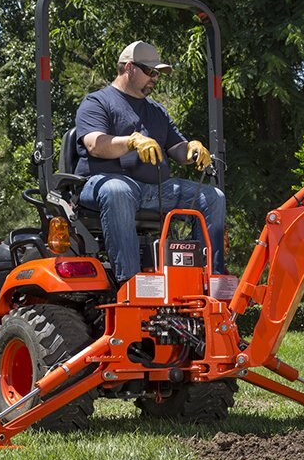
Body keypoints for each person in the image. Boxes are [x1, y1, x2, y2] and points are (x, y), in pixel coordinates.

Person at [74, 40, 226, 283]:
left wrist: (193, 149)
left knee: (213, 197)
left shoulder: (157, 111)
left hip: (156, 189)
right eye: (150, 71)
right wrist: (131, 142)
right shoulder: (97, 102)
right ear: (129, 68)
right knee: (118, 190)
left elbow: (177, 149)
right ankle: (131, 282)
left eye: (158, 73)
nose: (155, 77)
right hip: (103, 184)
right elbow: (95, 145)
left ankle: (211, 278)